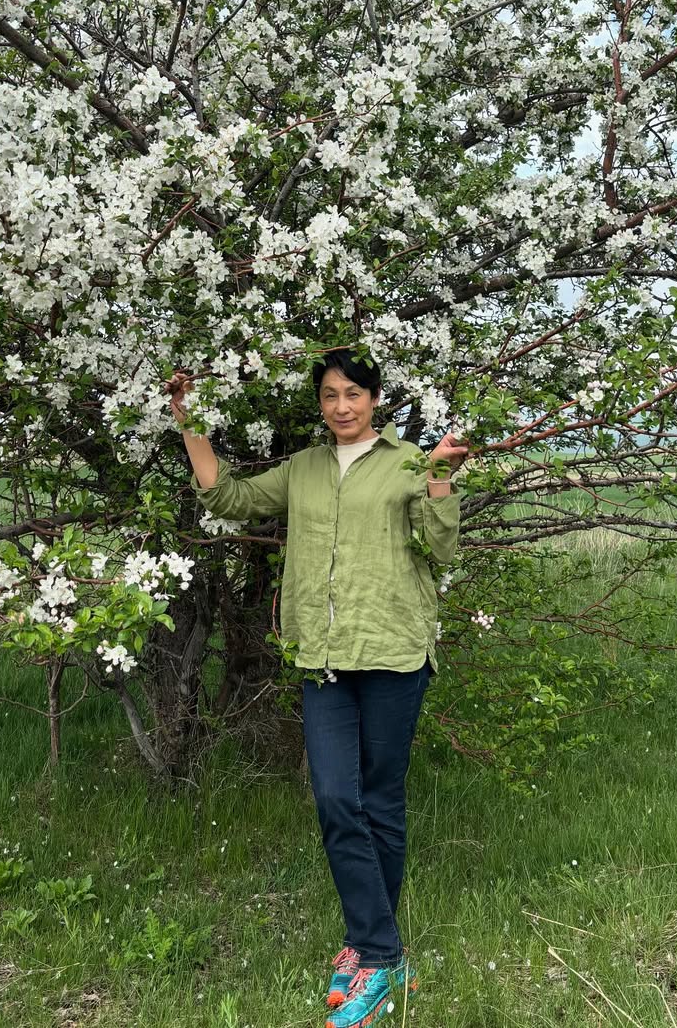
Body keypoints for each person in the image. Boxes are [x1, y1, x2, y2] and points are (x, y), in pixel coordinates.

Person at [167, 350, 467, 1028]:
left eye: (353, 393)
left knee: (381, 801)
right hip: (324, 656)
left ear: (375, 398)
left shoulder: (408, 462)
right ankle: (382, 951)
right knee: (335, 798)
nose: (342, 406)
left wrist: (441, 478)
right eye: (330, 394)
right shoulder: (302, 468)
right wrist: (188, 420)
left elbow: (442, 549)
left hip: (392, 650)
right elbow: (226, 497)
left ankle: (371, 954)